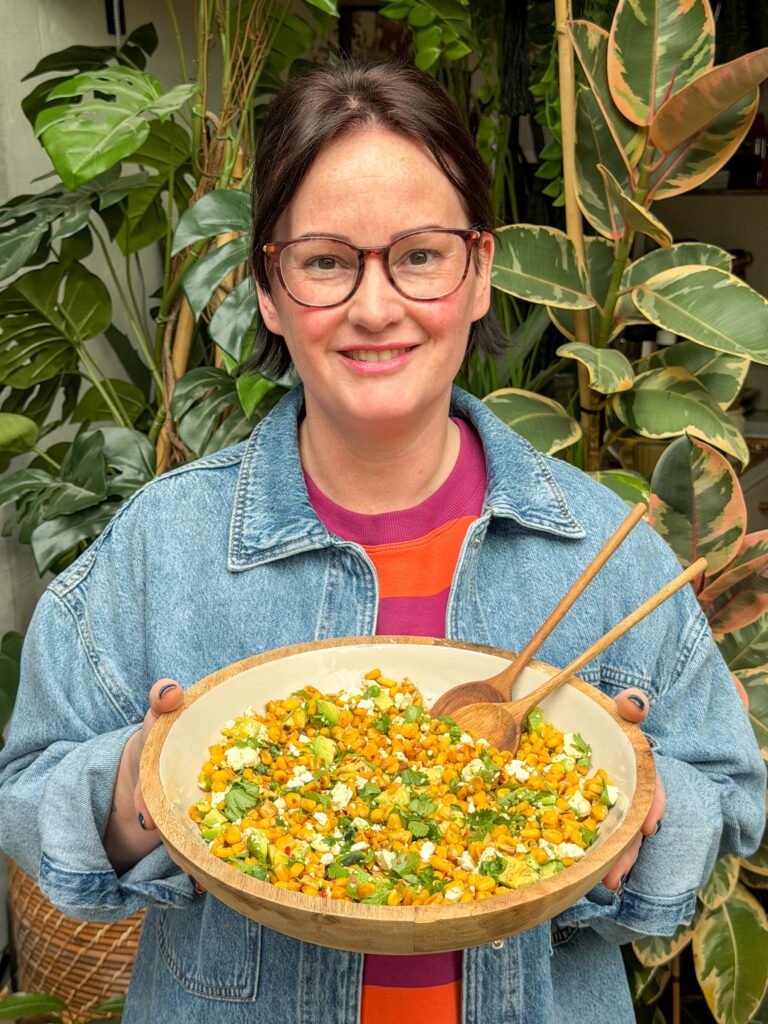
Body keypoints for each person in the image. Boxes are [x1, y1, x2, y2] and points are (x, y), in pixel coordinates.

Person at [0, 59, 764, 1024]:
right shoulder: (165, 544)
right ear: (269, 292)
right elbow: (24, 788)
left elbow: (730, 793)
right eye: (325, 260)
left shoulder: (602, 551)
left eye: (420, 255)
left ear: (480, 272)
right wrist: (139, 786)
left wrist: (642, 816)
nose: (374, 306)